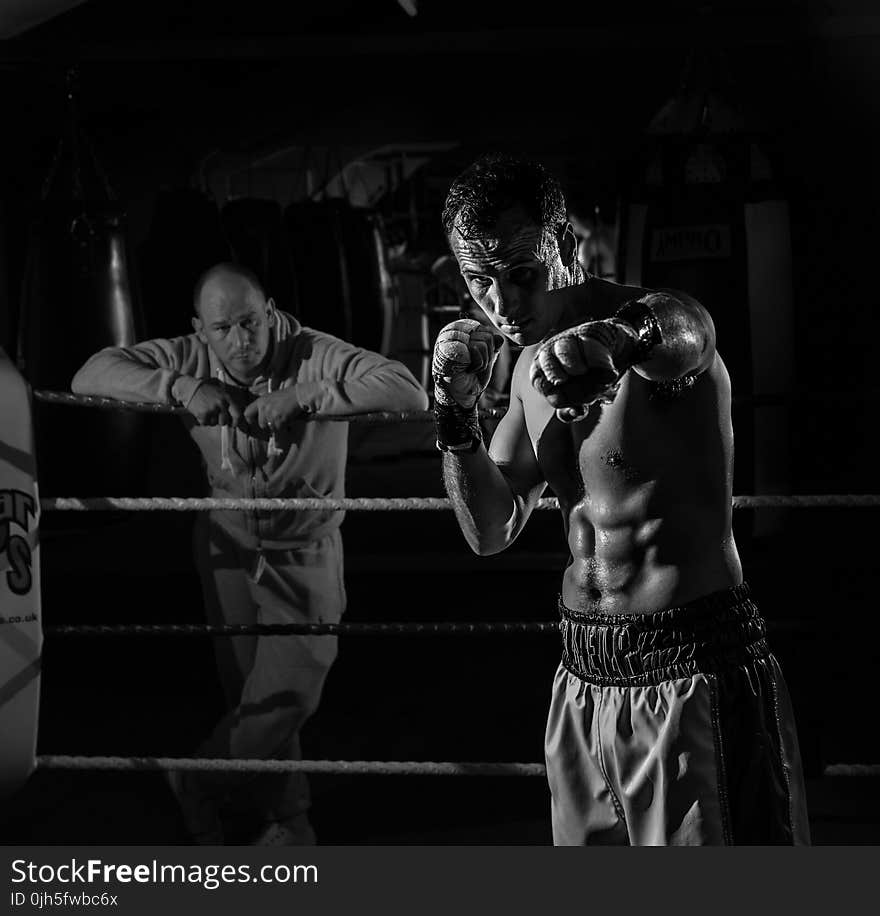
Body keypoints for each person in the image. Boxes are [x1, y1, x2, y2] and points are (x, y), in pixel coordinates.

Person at [431, 153, 809, 845]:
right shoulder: (519, 368)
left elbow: (688, 328)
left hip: (692, 667)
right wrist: (456, 421)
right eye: (479, 281)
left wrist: (617, 338)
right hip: (582, 676)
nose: (502, 303)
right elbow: (490, 530)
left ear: (563, 246)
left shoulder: (647, 332)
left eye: (522, 275)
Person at [71, 262, 428, 845]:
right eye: (223, 329)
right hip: (226, 543)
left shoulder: (313, 352)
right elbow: (90, 372)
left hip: (304, 546)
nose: (240, 342)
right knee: (250, 693)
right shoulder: (190, 354)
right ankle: (286, 822)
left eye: (250, 322)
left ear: (269, 312)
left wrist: (312, 396)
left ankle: (197, 779)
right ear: (200, 329)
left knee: (291, 693)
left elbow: (408, 390)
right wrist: (181, 387)